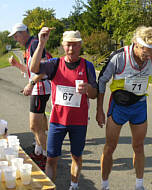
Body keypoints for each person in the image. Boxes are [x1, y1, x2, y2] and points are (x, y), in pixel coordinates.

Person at [96, 21, 152, 190]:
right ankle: (105, 184)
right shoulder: (119, 57)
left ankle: (139, 185)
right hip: (118, 106)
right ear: (136, 45)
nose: (149, 58)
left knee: (138, 146)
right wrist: (99, 110)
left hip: (139, 106)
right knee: (110, 147)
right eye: (146, 54)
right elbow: (101, 81)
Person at [30, 28, 98, 190]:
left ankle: (74, 185)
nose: (71, 49)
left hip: (79, 122)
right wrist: (41, 43)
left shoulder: (87, 66)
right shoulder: (55, 64)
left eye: (75, 45)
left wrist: (87, 88)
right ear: (63, 45)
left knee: (76, 156)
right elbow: (34, 69)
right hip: (57, 121)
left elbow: (95, 94)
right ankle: (49, 187)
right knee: (51, 159)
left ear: (80, 46)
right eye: (68, 45)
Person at [8, 23, 51, 169]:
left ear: (24, 32)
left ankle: (45, 156)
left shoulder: (34, 44)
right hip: (39, 88)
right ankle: (40, 151)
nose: (15, 39)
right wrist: (16, 65)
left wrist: (31, 84)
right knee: (40, 123)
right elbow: (31, 70)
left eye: (16, 35)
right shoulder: (30, 45)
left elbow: (44, 70)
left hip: (39, 88)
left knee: (34, 126)